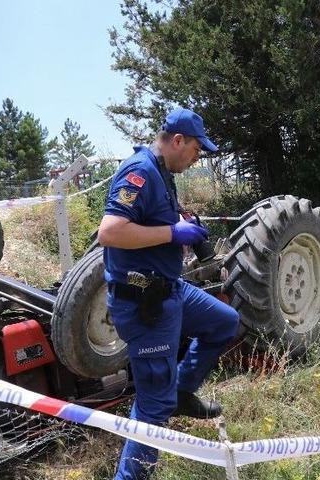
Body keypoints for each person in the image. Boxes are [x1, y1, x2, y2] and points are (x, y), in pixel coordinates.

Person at [97, 107, 240, 479]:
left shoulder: (163, 172)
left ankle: (181, 391)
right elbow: (110, 233)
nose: (196, 159)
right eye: (196, 151)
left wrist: (179, 223)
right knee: (152, 407)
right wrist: (172, 234)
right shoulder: (140, 171)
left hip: (170, 289)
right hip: (144, 300)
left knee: (224, 321)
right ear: (178, 141)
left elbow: (151, 220)